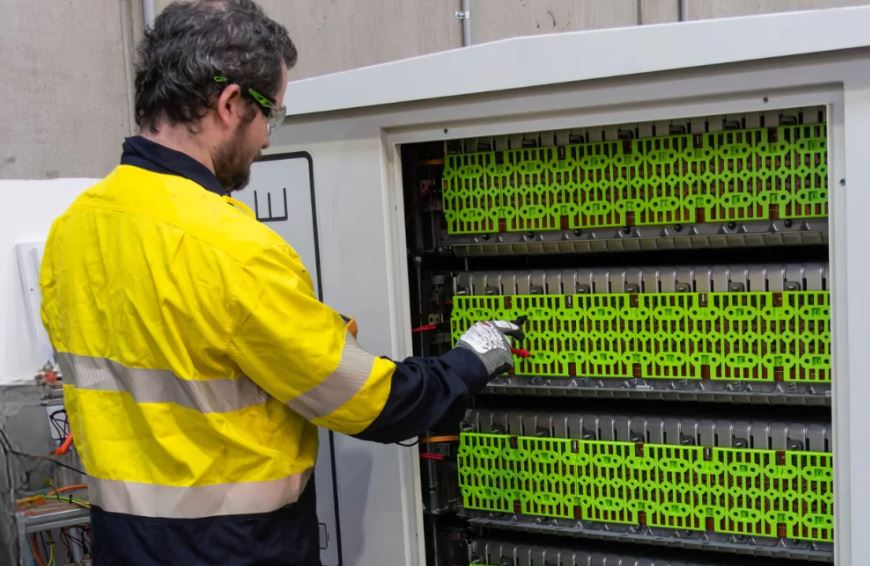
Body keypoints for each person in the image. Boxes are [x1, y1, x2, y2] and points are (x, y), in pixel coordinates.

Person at [38, 1, 518, 564]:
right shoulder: (230, 250)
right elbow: (372, 403)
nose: (268, 139)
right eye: (272, 115)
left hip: (123, 547)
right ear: (229, 104)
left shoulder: (71, 232)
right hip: (236, 551)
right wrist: (470, 360)